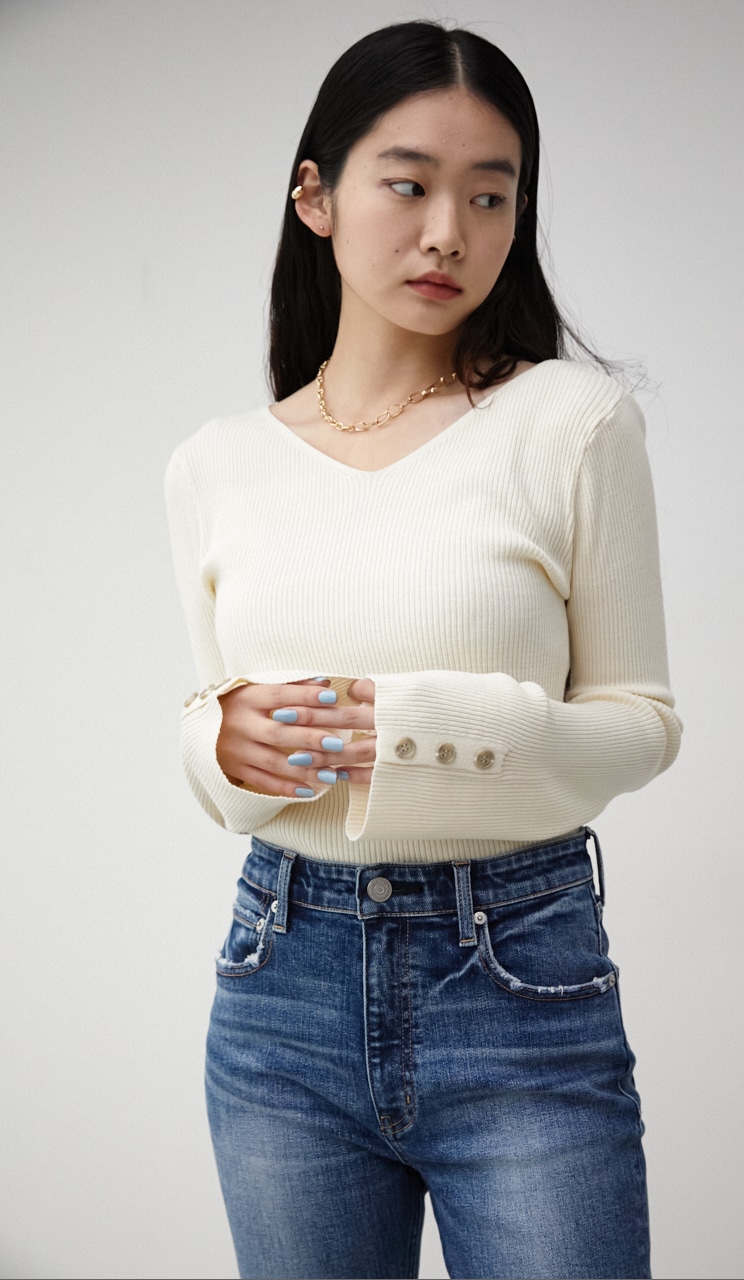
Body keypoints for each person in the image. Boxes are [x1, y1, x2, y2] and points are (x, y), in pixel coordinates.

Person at [165, 20, 680, 1280]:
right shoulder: (213, 464)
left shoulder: (569, 421)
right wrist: (214, 739)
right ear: (316, 196)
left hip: (517, 978)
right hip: (278, 989)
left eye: (489, 196)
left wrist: (414, 731)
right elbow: (222, 742)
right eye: (408, 185)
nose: (448, 231)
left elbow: (642, 720)